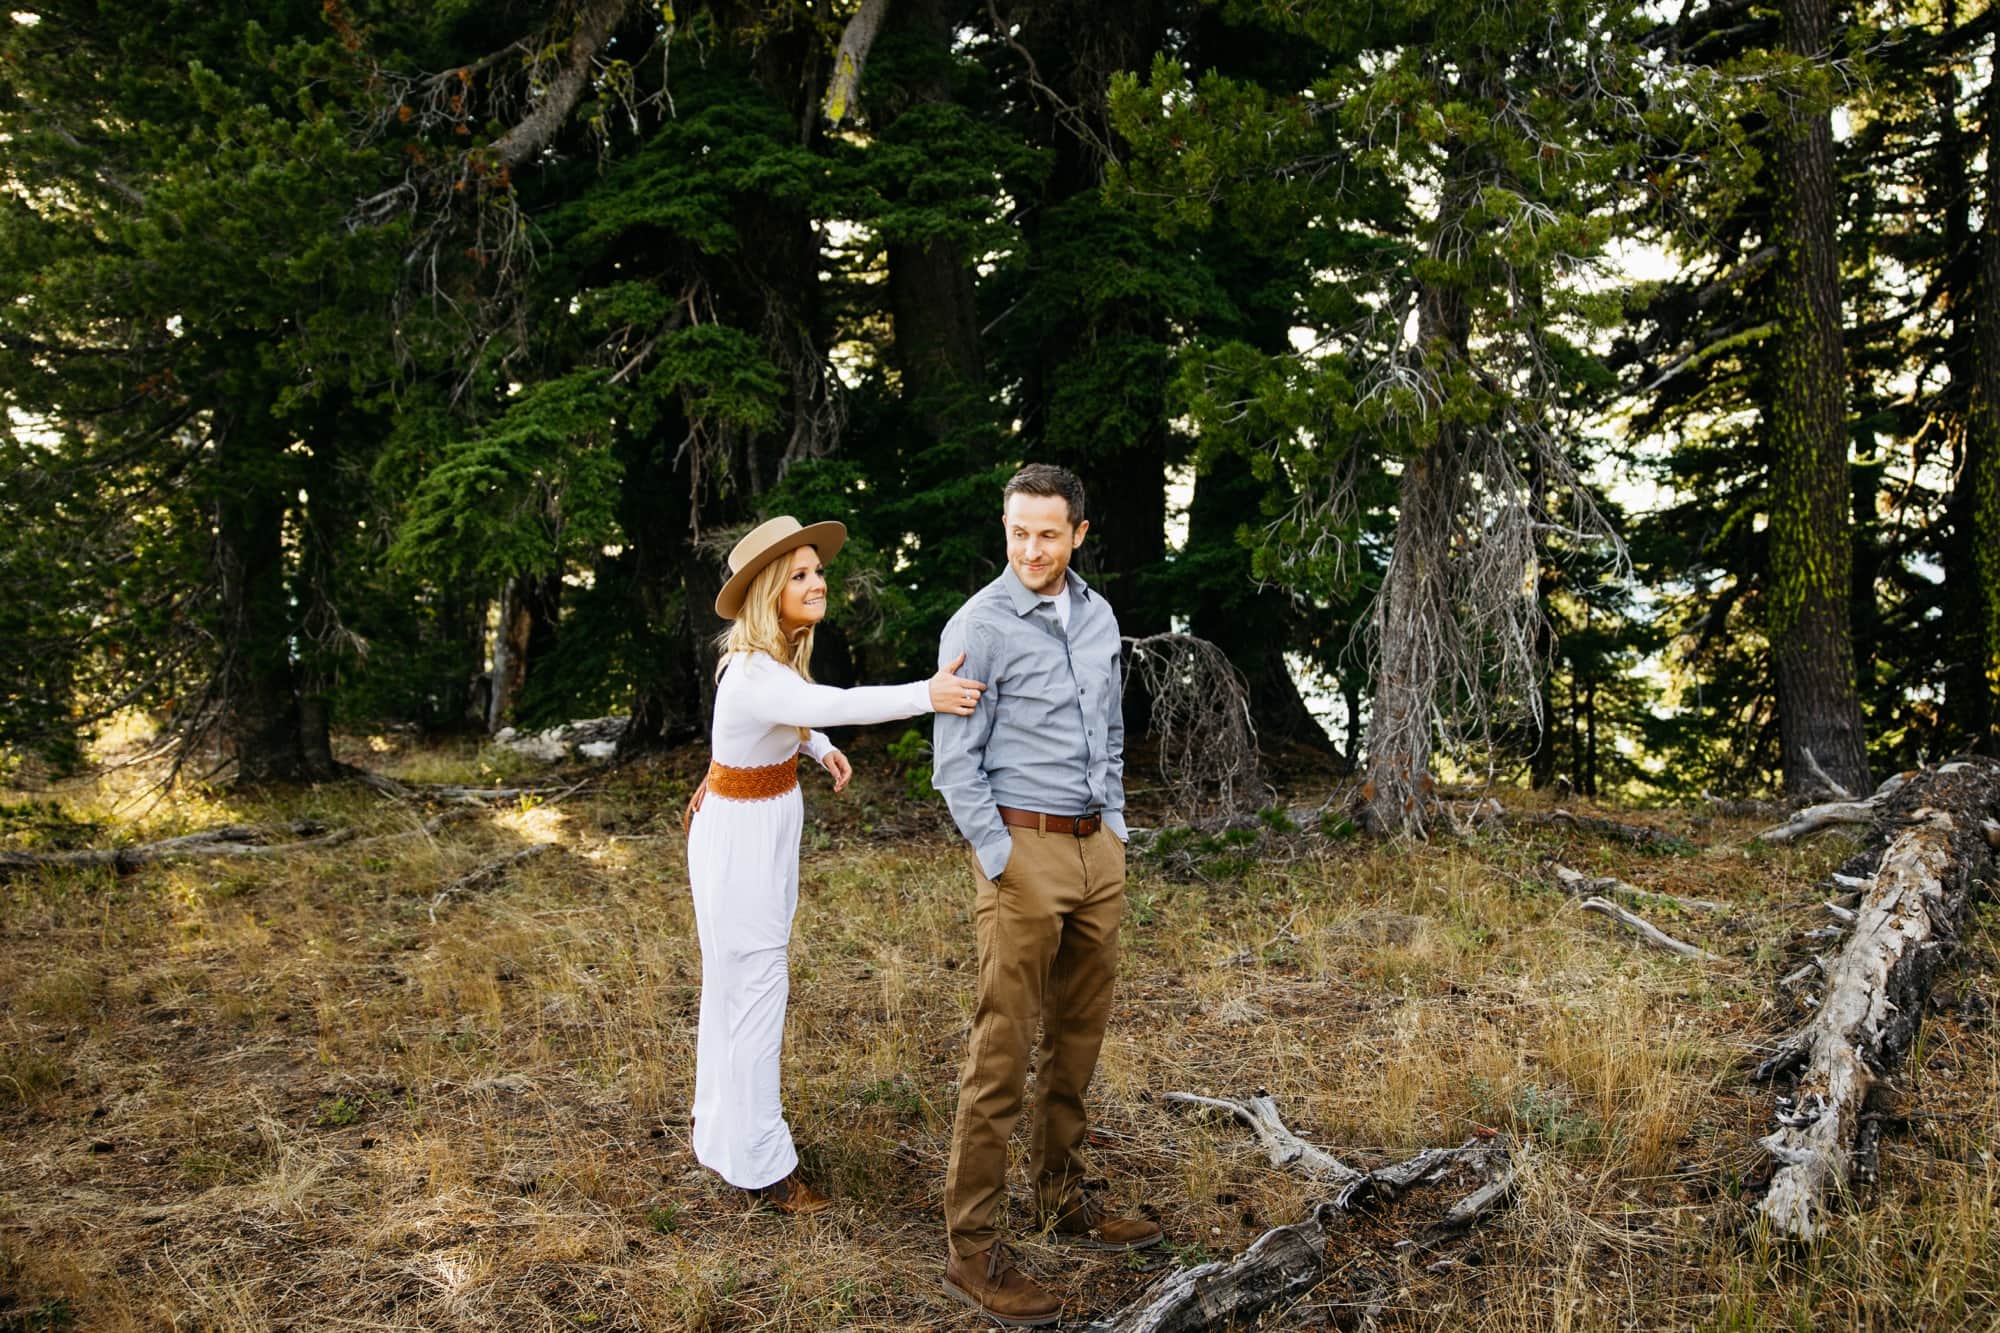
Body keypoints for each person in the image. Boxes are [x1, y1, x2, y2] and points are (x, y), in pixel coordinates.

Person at [686, 515, 986, 1213]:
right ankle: (763, 1166)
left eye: (818, 570)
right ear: (768, 590)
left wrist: (816, 747)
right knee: (756, 988)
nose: (818, 581)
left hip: (751, 828)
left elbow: (799, 714)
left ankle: (724, 1135)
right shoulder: (759, 670)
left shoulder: (767, 659)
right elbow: (833, 701)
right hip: (740, 841)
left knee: (741, 984)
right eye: (800, 574)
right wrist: (927, 694)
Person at [932, 465, 1162, 1327]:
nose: (1032, 549)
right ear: (1004, 527)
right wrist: (1001, 859)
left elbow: (1108, 726)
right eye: (1018, 531)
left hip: (1094, 847)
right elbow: (954, 764)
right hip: (1021, 851)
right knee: (1004, 1046)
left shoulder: (1097, 615)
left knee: (1077, 1036)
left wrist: (1117, 831)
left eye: (1048, 534)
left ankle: (1061, 1195)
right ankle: (973, 1249)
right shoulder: (978, 625)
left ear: (1079, 535)